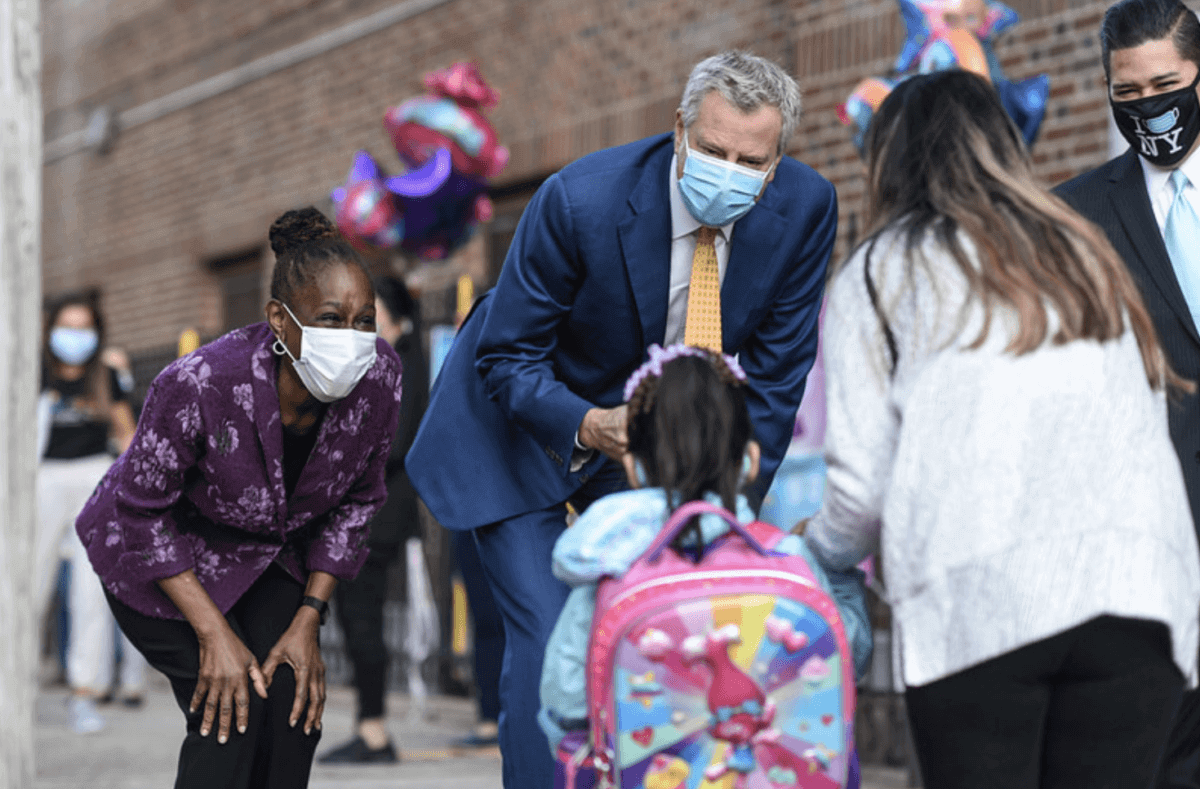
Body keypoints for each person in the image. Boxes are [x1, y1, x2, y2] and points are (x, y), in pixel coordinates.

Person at [407, 50, 838, 785]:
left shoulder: (806, 210)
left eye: (749, 160)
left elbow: (772, 383)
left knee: (675, 632)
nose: (727, 170)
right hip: (526, 423)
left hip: (651, 444)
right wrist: (590, 424)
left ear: (777, 162)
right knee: (548, 640)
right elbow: (507, 358)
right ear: (678, 130)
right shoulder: (581, 200)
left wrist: (727, 521)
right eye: (711, 149)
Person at [804, 69, 1200, 788]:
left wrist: (815, 551)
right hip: (1142, 595)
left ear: (888, 162)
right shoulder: (1084, 252)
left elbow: (860, 491)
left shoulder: (881, 271)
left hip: (982, 599)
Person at [75, 207, 403, 789]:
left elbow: (358, 501)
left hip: (264, 552)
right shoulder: (201, 382)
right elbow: (142, 511)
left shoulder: (379, 379)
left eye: (364, 321)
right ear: (280, 319)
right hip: (159, 555)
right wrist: (213, 634)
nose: (352, 339)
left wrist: (310, 615)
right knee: (227, 715)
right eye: (330, 319)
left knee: (295, 708)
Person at [537, 345, 872, 755]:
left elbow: (566, 700)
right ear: (749, 461)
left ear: (631, 464)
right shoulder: (788, 559)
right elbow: (846, 657)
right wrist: (837, 574)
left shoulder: (612, 567)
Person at [1055, 2, 1200, 783]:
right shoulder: (1075, 213)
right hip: (1148, 537)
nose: (1150, 106)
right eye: (1129, 91)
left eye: (1168, 85)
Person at [319, 275, 428, 764]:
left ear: (397, 318)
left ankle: (375, 730)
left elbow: (392, 445)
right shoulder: (378, 366)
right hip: (363, 514)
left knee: (363, 621)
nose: (362, 324)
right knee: (355, 617)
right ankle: (370, 726)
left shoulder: (403, 365)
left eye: (370, 314)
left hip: (376, 515)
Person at [35, 291, 142, 734]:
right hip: (42, 478)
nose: (74, 336)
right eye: (67, 326)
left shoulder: (106, 376)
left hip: (93, 479)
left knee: (90, 592)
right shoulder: (34, 374)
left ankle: (85, 692)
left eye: (83, 327)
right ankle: (13, 685)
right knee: (29, 588)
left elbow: (126, 433)